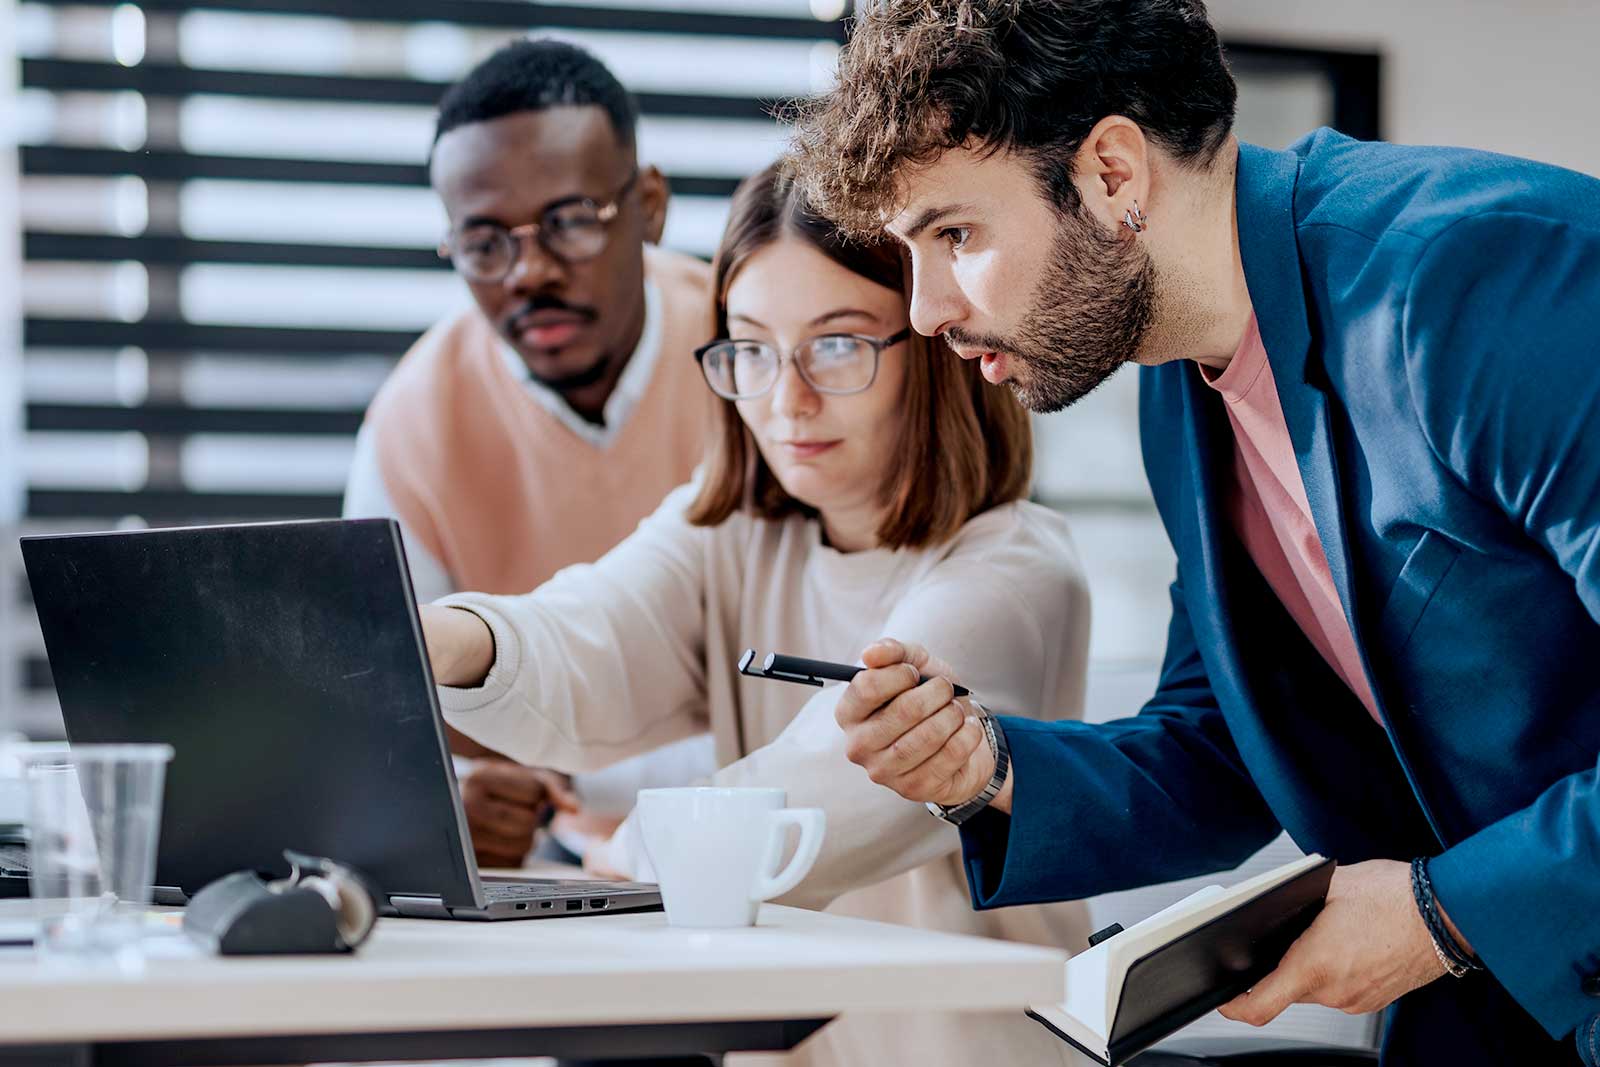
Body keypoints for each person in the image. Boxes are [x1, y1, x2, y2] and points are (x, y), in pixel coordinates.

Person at [786, 2, 1600, 1065]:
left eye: (955, 234)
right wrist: (986, 769)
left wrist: (1440, 913)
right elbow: (1224, 746)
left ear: (1114, 174)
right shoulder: (1182, 385)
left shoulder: (1481, 278)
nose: (928, 309)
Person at [420, 162, 1093, 1067]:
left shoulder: (1014, 572)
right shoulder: (731, 533)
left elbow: (819, 799)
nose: (786, 400)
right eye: (752, 348)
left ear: (936, 343)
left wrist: (624, 848)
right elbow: (586, 636)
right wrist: (440, 639)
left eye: (838, 345)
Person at [344, 39, 716, 868]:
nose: (529, 272)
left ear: (649, 206)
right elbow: (377, 702)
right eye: (484, 244)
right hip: (550, 869)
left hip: (766, 841)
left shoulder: (761, 357)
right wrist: (443, 798)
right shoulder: (412, 422)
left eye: (571, 222)